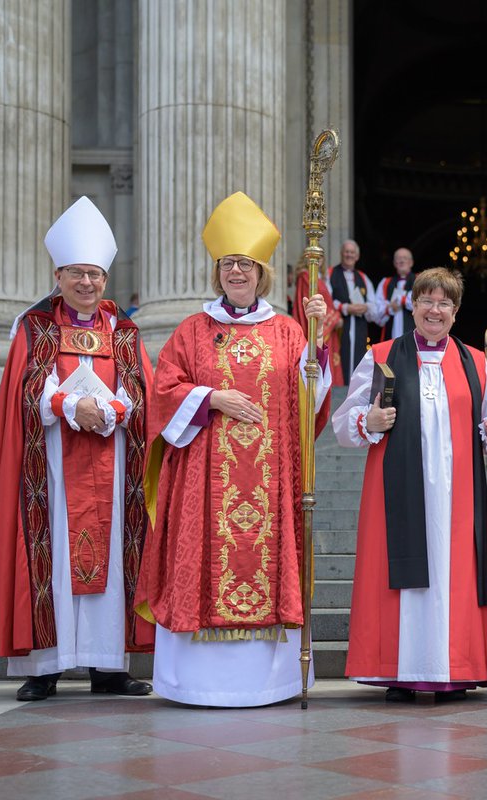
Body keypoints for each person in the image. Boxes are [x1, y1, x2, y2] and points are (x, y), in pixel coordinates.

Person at [135, 191, 332, 707]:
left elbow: (311, 399)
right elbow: (162, 392)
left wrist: (319, 342)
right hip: (203, 482)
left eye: (246, 264)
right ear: (217, 271)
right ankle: (196, 683)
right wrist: (211, 397)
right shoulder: (192, 331)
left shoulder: (289, 331)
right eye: (228, 264)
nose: (237, 272)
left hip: (270, 488)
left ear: (262, 272)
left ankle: (269, 683)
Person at [0, 197, 154, 701]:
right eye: (76, 274)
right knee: (52, 558)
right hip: (48, 468)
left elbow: (141, 390)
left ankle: (109, 667)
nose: (86, 283)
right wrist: (70, 405)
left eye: (95, 274)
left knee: (112, 561)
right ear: (58, 274)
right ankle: (44, 667)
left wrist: (112, 409)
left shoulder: (124, 332)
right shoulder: (35, 327)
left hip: (113, 469)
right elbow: (28, 389)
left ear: (105, 279)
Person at [334, 267, 487, 701]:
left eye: (445, 303)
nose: (435, 310)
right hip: (396, 494)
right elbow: (343, 424)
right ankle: (400, 673)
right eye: (428, 301)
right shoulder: (380, 355)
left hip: (459, 496)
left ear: (456, 312)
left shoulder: (475, 361)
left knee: (454, 579)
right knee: (403, 579)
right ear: (413, 305)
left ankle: (453, 670)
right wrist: (368, 420)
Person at [327, 239, 380, 383]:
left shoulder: (363, 278)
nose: (349, 255)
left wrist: (366, 307)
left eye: (352, 252)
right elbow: (327, 300)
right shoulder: (330, 273)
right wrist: (346, 308)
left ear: (357, 256)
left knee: (359, 359)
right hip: (339, 327)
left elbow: (374, 307)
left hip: (359, 327)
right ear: (341, 253)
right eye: (346, 251)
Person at [292, 252, 344, 385]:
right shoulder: (305, 276)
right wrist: (334, 317)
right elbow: (310, 301)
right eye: (314, 257)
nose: (318, 260)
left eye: (321, 257)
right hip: (320, 323)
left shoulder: (320, 277)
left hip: (327, 324)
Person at [373, 247, 417, 341]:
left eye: (405, 258)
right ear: (394, 263)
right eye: (398, 258)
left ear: (411, 262)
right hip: (390, 337)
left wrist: (403, 299)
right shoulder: (385, 283)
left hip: (415, 337)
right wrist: (389, 308)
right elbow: (376, 313)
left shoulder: (420, 280)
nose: (401, 261)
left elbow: (422, 302)